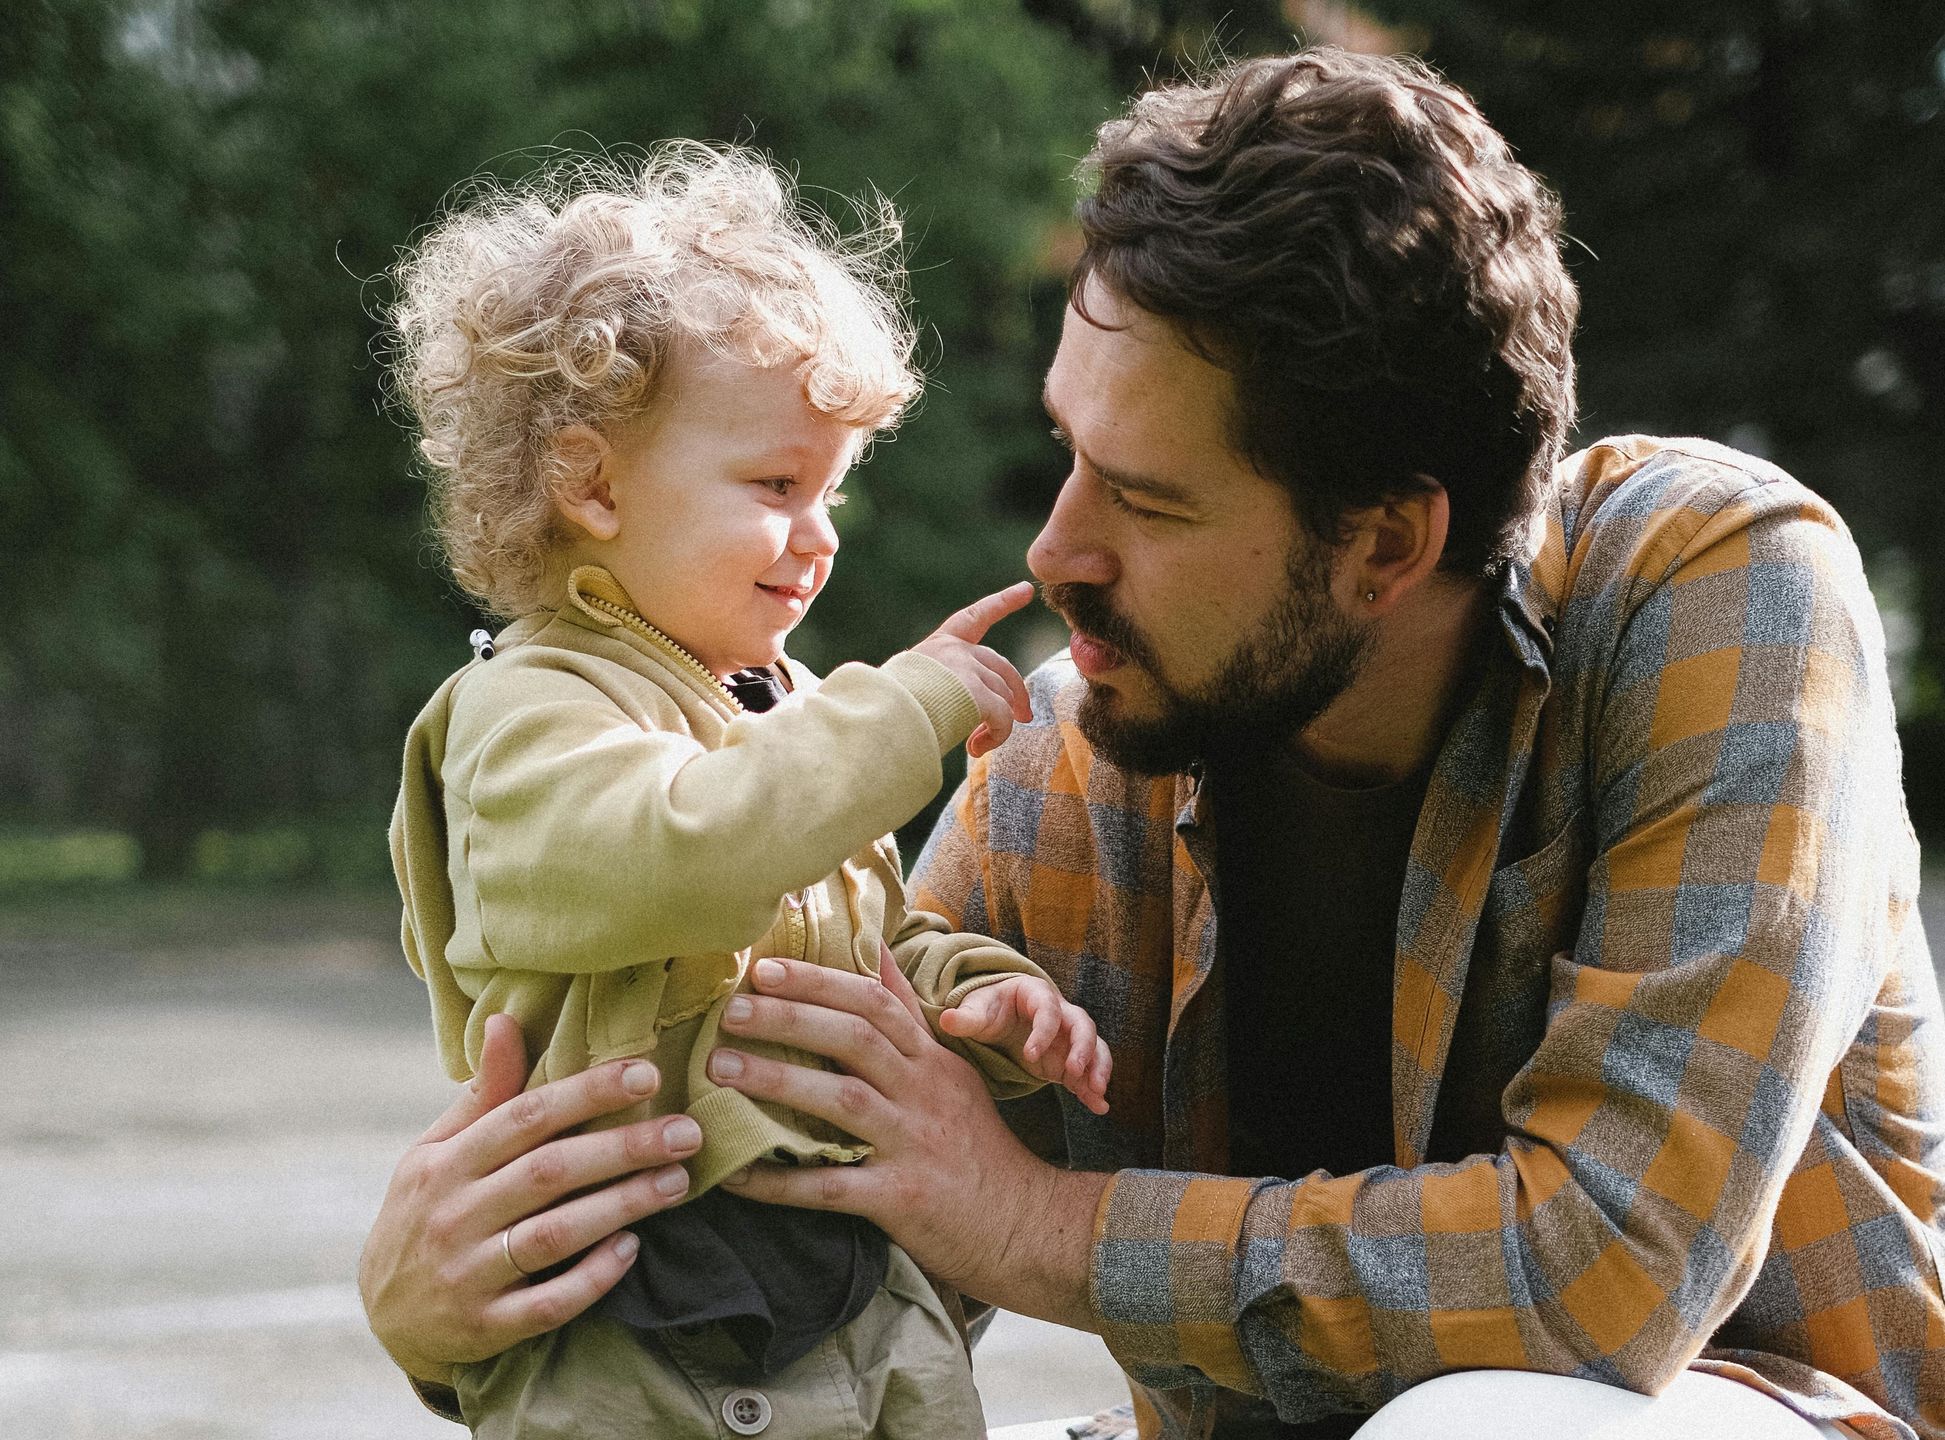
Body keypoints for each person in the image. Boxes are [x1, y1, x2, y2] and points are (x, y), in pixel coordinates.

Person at [359, 50, 1945, 1440]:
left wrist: (1044, 1224)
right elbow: (858, 1210)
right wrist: (467, 1297)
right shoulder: (1080, 745)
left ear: (1382, 544)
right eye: (1069, 452)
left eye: (1153, 497)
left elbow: (1606, 1281)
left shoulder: (1711, 589)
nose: (1057, 553)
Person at [380, 143, 1112, 1439]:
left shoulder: (768, 706)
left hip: (834, 1295)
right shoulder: (530, 712)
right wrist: (906, 704)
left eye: (832, 489)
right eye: (777, 485)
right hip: (628, 1322)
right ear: (592, 484)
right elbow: (679, 858)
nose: (820, 531)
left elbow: (852, 937)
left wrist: (970, 995)